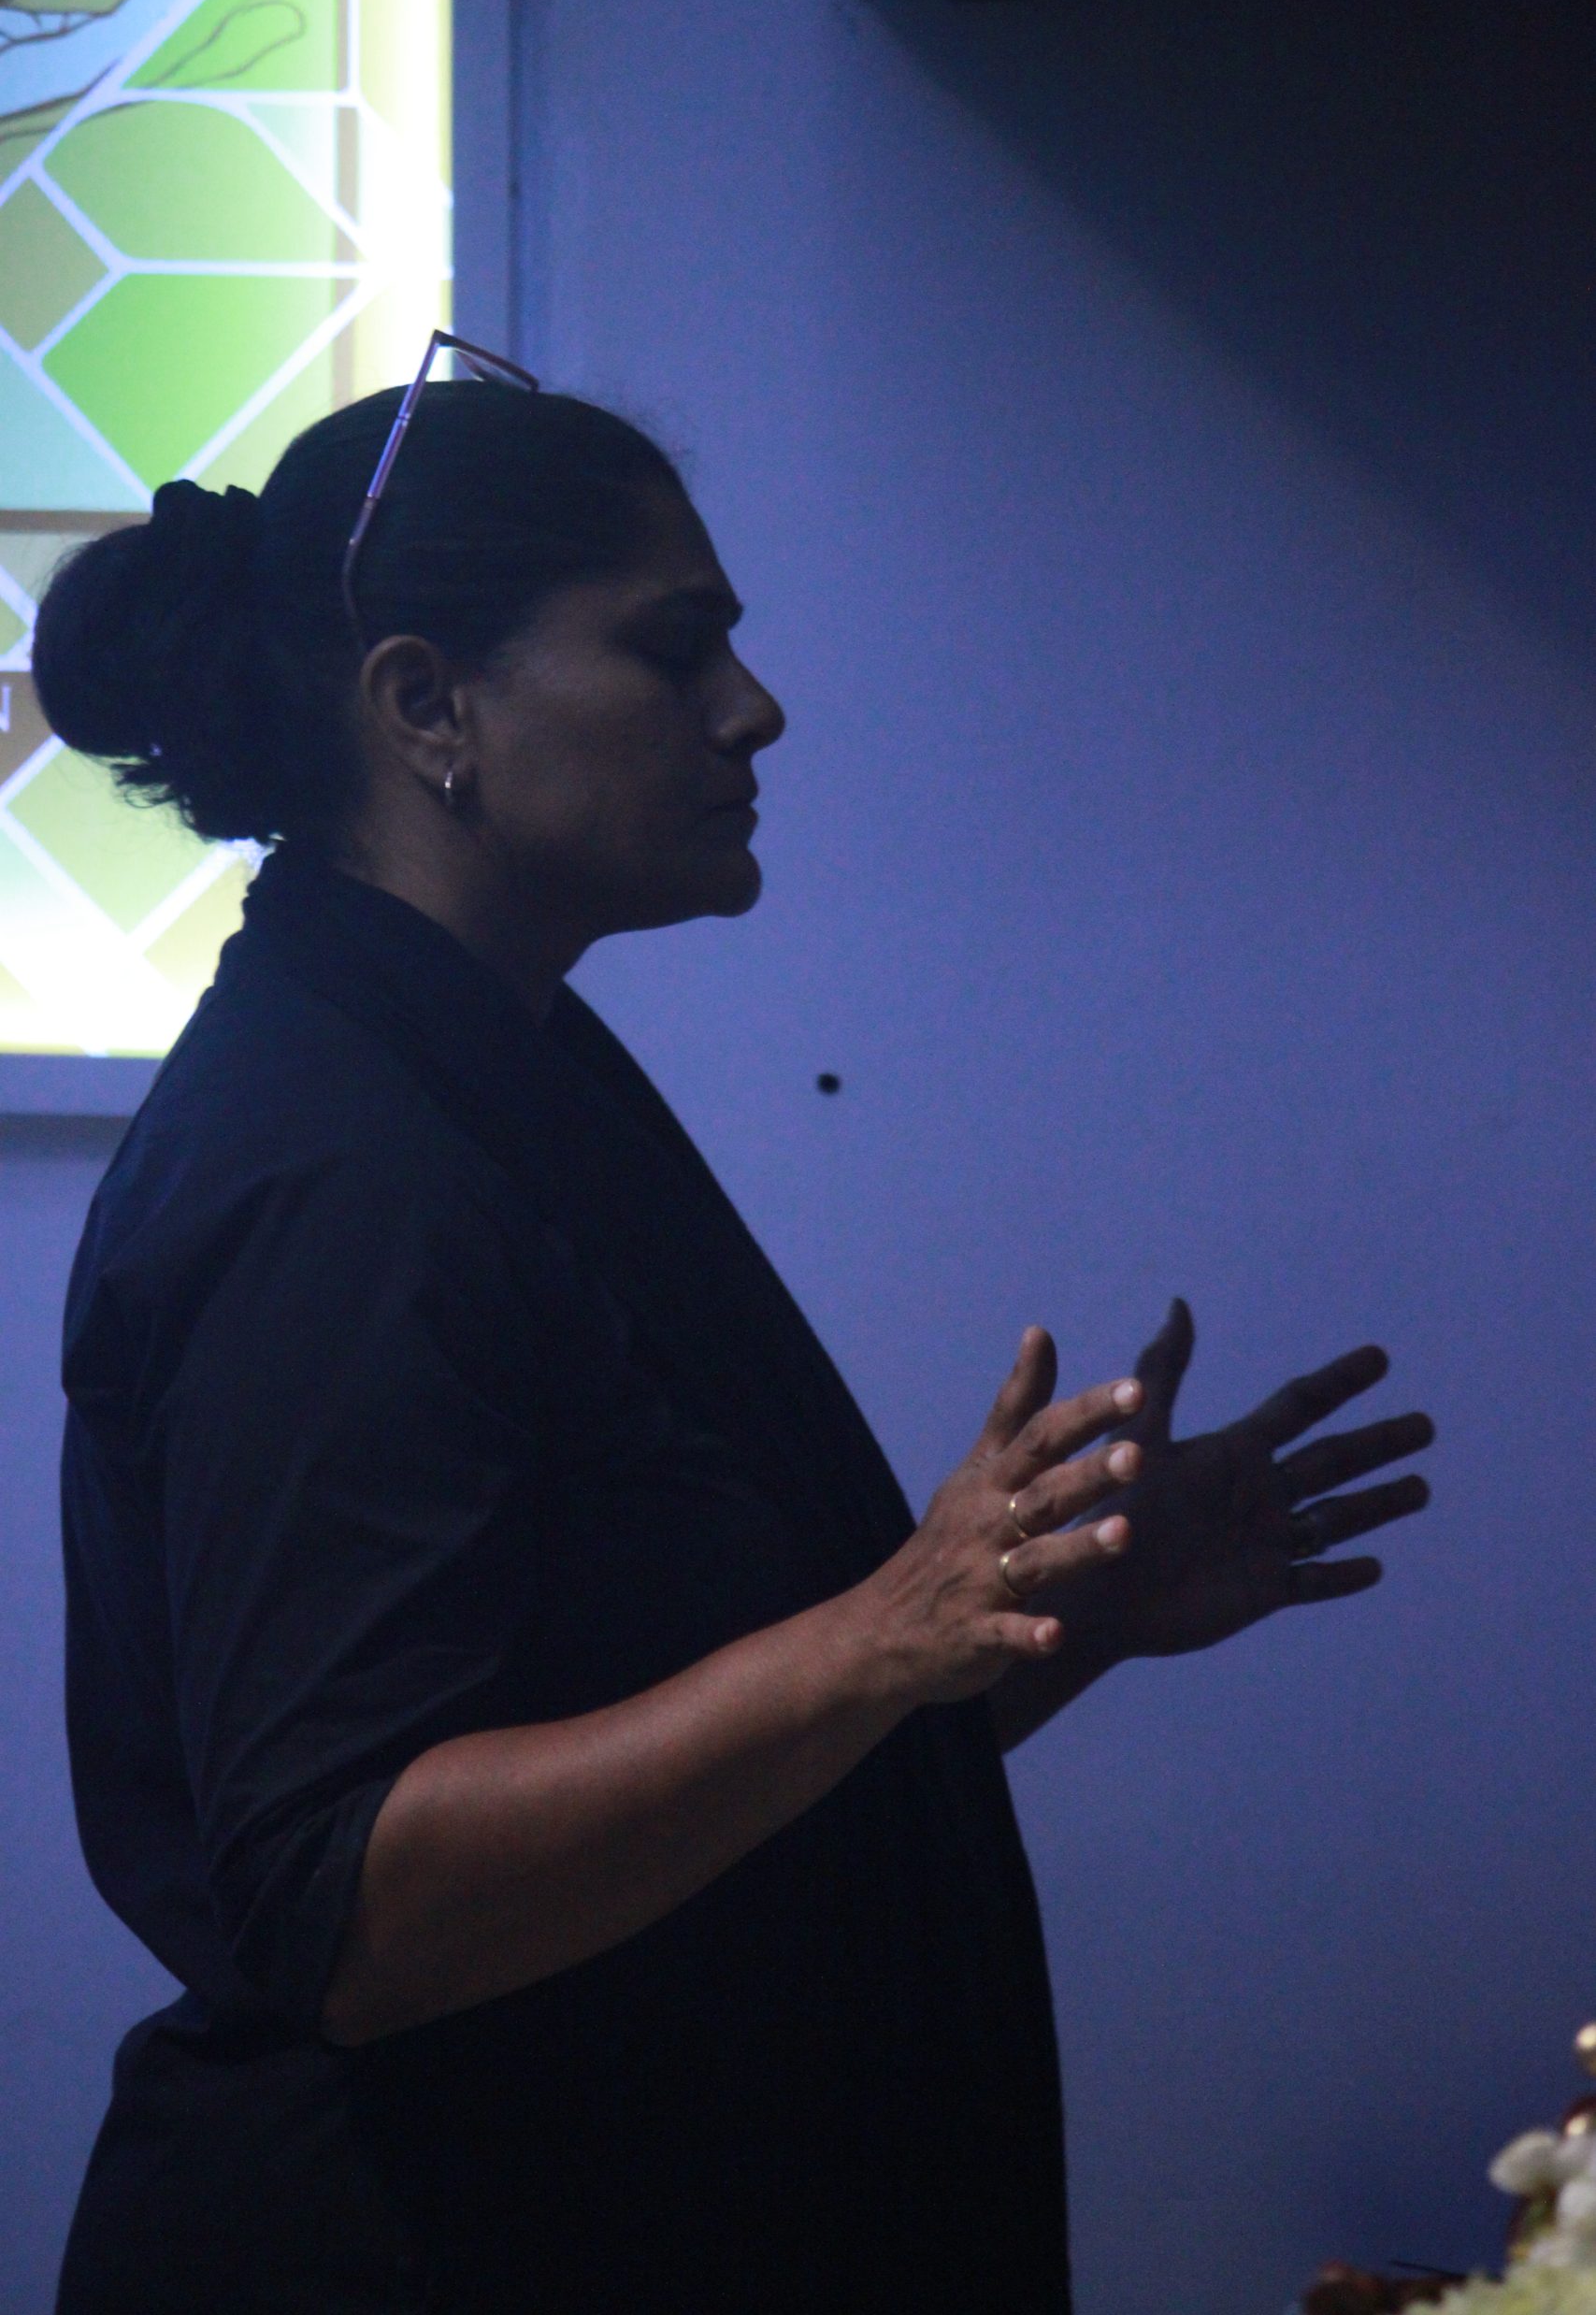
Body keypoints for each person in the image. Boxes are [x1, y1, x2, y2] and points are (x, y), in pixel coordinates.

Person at [34, 362, 1433, 2315]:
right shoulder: (329, 1162)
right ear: (426, 707)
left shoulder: (502, 1067)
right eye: (671, 646)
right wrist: (880, 1630)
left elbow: (699, 1767)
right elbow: (352, 1905)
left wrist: (1033, 1618)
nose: (751, 707)